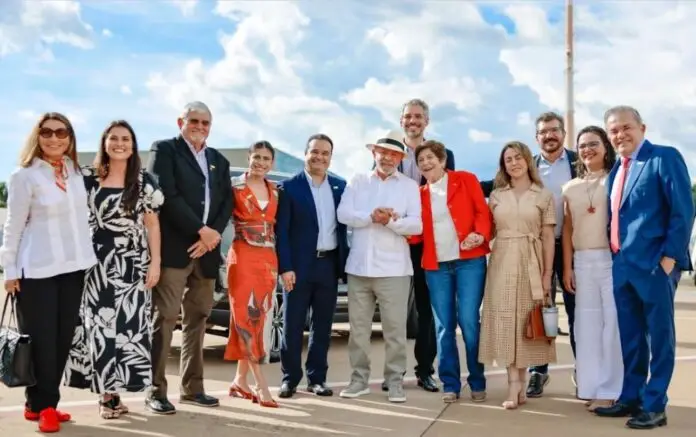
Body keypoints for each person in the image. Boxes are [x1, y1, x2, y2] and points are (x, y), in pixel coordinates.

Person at [593, 106, 693, 430]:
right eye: (613, 130)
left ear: (642, 128)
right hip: (622, 265)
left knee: (660, 337)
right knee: (631, 338)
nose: (620, 134)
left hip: (655, 265)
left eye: (626, 127)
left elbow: (683, 211)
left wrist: (670, 259)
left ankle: (655, 406)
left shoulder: (664, 158)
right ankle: (631, 398)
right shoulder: (616, 171)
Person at [0, 112, 97, 433]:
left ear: (70, 138)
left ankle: (38, 405)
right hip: (36, 269)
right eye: (47, 132)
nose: (54, 138)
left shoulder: (75, 172)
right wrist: (9, 269)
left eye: (61, 132)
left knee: (61, 340)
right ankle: (45, 407)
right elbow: (13, 226)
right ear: (37, 136)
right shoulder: (24, 176)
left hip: (73, 268)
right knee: (41, 341)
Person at [63, 120, 164, 419]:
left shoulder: (144, 181)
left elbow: (152, 225)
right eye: (114, 138)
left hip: (133, 263)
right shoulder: (87, 178)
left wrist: (155, 262)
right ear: (104, 143)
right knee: (99, 327)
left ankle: (115, 392)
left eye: (126, 139)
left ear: (133, 146)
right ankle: (107, 396)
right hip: (95, 264)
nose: (120, 144)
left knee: (129, 328)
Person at [481, 112, 578, 397]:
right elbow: (487, 213)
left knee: (570, 312)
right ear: (536, 138)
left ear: (563, 133)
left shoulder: (577, 164)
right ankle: (536, 374)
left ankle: (583, 371)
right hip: (516, 253)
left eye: (554, 130)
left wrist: (549, 272)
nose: (549, 135)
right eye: (543, 131)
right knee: (522, 315)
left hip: (561, 247)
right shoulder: (507, 185)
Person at [145, 101, 232, 414]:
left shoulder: (218, 160)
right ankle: (155, 390)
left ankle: (193, 389)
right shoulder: (165, 150)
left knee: (198, 321)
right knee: (165, 318)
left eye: (205, 123)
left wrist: (212, 235)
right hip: (174, 250)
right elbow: (166, 195)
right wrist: (200, 230)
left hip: (206, 253)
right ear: (180, 121)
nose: (199, 127)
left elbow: (226, 202)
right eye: (194, 120)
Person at [337, 130, 421, 403]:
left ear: (401, 158)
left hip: (395, 270)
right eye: (382, 152)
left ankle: (394, 382)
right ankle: (358, 380)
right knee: (358, 331)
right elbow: (343, 214)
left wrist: (391, 222)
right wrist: (370, 216)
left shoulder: (409, 186)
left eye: (393, 154)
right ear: (374, 153)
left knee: (395, 332)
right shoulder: (358, 180)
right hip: (359, 268)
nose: (387, 158)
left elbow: (417, 224)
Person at [408, 140, 491, 403]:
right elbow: (416, 234)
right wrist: (397, 224)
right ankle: (450, 384)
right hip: (437, 267)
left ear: (442, 160)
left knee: (469, 321)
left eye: (430, 158)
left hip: (469, 262)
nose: (426, 163)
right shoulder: (418, 194)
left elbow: (482, 212)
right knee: (443, 326)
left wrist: (480, 234)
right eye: (421, 160)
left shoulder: (465, 180)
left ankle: (477, 380)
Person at [478, 141, 556, 410]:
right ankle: (513, 385)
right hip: (501, 261)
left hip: (531, 261)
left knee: (525, 324)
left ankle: (520, 384)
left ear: (528, 160)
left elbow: (548, 236)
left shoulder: (543, 195)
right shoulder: (496, 195)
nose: (514, 163)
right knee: (505, 323)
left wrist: (547, 274)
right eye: (508, 159)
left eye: (518, 157)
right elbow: (487, 230)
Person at [275, 134, 349, 398]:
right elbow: (282, 232)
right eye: (315, 152)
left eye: (325, 153)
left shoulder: (340, 187)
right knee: (293, 325)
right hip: (298, 267)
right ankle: (290, 379)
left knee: (323, 326)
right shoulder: (288, 187)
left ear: (331, 157)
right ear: (306, 153)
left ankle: (317, 379)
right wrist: (285, 267)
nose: (320, 157)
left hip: (328, 265)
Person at [389, 99, 455, 393]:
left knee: (427, 311)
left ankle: (425, 370)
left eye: (418, 116)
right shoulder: (390, 152)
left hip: (428, 244)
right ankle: (393, 372)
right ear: (401, 120)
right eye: (408, 116)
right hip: (394, 242)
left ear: (426, 121)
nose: (412, 121)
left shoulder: (442, 153)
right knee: (394, 310)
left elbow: (448, 195)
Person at [560, 126, 622, 411]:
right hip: (582, 263)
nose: (587, 149)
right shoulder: (569, 188)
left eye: (593, 144)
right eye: (582, 145)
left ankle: (612, 389)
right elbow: (568, 229)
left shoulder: (617, 179)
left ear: (606, 146)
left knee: (613, 327)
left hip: (611, 261)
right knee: (586, 328)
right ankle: (590, 387)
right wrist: (568, 268)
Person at [224, 141, 281, 408]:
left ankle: (239, 381)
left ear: (272, 163)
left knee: (259, 319)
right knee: (246, 317)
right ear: (248, 158)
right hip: (243, 256)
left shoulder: (276, 191)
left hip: (268, 260)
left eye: (266, 158)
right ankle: (260, 383)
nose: (261, 162)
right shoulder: (234, 187)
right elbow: (216, 217)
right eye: (256, 157)